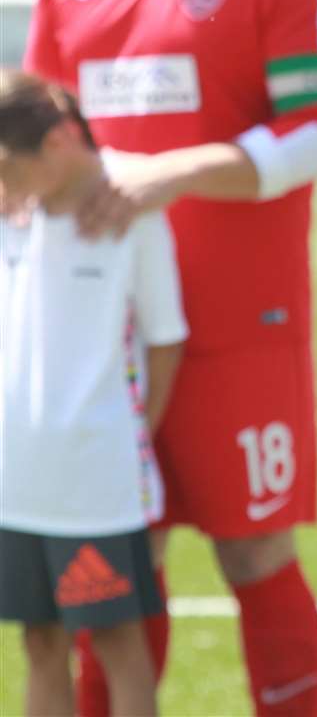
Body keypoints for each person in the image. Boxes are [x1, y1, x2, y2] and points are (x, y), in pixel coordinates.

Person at [23, 0, 317, 716]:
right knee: (116, 552)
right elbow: (39, 126)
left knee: (254, 546)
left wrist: (172, 174)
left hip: (240, 324)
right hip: (102, 326)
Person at [0, 71, 187, 717]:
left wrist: (129, 434)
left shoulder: (131, 213)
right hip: (16, 477)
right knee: (40, 642)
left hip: (96, 481)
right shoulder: (12, 212)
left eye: (6, 164)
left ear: (57, 142)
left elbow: (166, 340)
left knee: (116, 642)